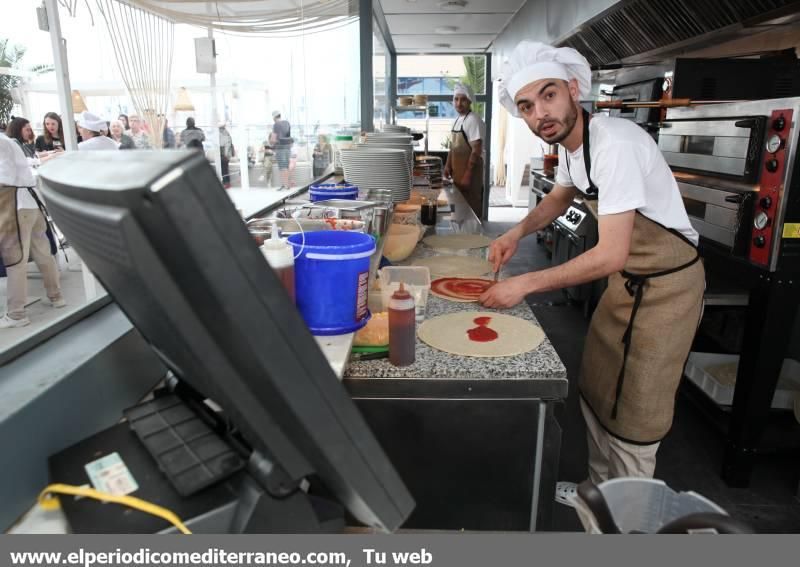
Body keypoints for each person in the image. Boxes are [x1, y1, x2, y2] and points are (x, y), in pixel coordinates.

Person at [481, 41, 705, 487]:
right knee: (600, 388)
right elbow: (559, 197)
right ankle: (597, 494)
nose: (540, 113)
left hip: (666, 291)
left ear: (572, 89)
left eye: (548, 95)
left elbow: (610, 254)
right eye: (526, 106)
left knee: (635, 414)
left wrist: (523, 284)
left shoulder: (615, 144)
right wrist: (515, 232)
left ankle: (627, 520)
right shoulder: (572, 145)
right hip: (627, 284)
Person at [0, 132, 65, 328]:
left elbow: (4, 179)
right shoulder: (6, 140)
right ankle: (56, 297)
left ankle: (17, 314)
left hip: (15, 203)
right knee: (43, 253)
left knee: (15, 259)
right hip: (31, 201)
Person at [443, 83, 486, 217]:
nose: (459, 103)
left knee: (470, 213)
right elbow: (453, 147)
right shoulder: (457, 121)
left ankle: (473, 237)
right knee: (459, 212)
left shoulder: (473, 120)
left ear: (469, 101)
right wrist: (447, 165)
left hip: (471, 176)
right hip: (458, 175)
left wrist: (467, 175)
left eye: (463, 99)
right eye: (456, 99)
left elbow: (476, 149)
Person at [270, 111, 292, 190]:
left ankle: (285, 185)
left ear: (274, 117)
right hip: (288, 148)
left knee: (282, 168)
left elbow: (273, 139)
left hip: (280, 148)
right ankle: (286, 184)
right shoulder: (287, 123)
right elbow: (289, 136)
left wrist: (271, 143)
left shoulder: (276, 124)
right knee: (286, 166)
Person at [218, 122, 235, 189]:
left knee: (224, 169)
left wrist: (225, 154)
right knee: (224, 169)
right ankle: (226, 183)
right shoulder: (226, 133)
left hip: (224, 154)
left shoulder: (224, 134)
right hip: (224, 154)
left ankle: (226, 183)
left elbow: (227, 145)